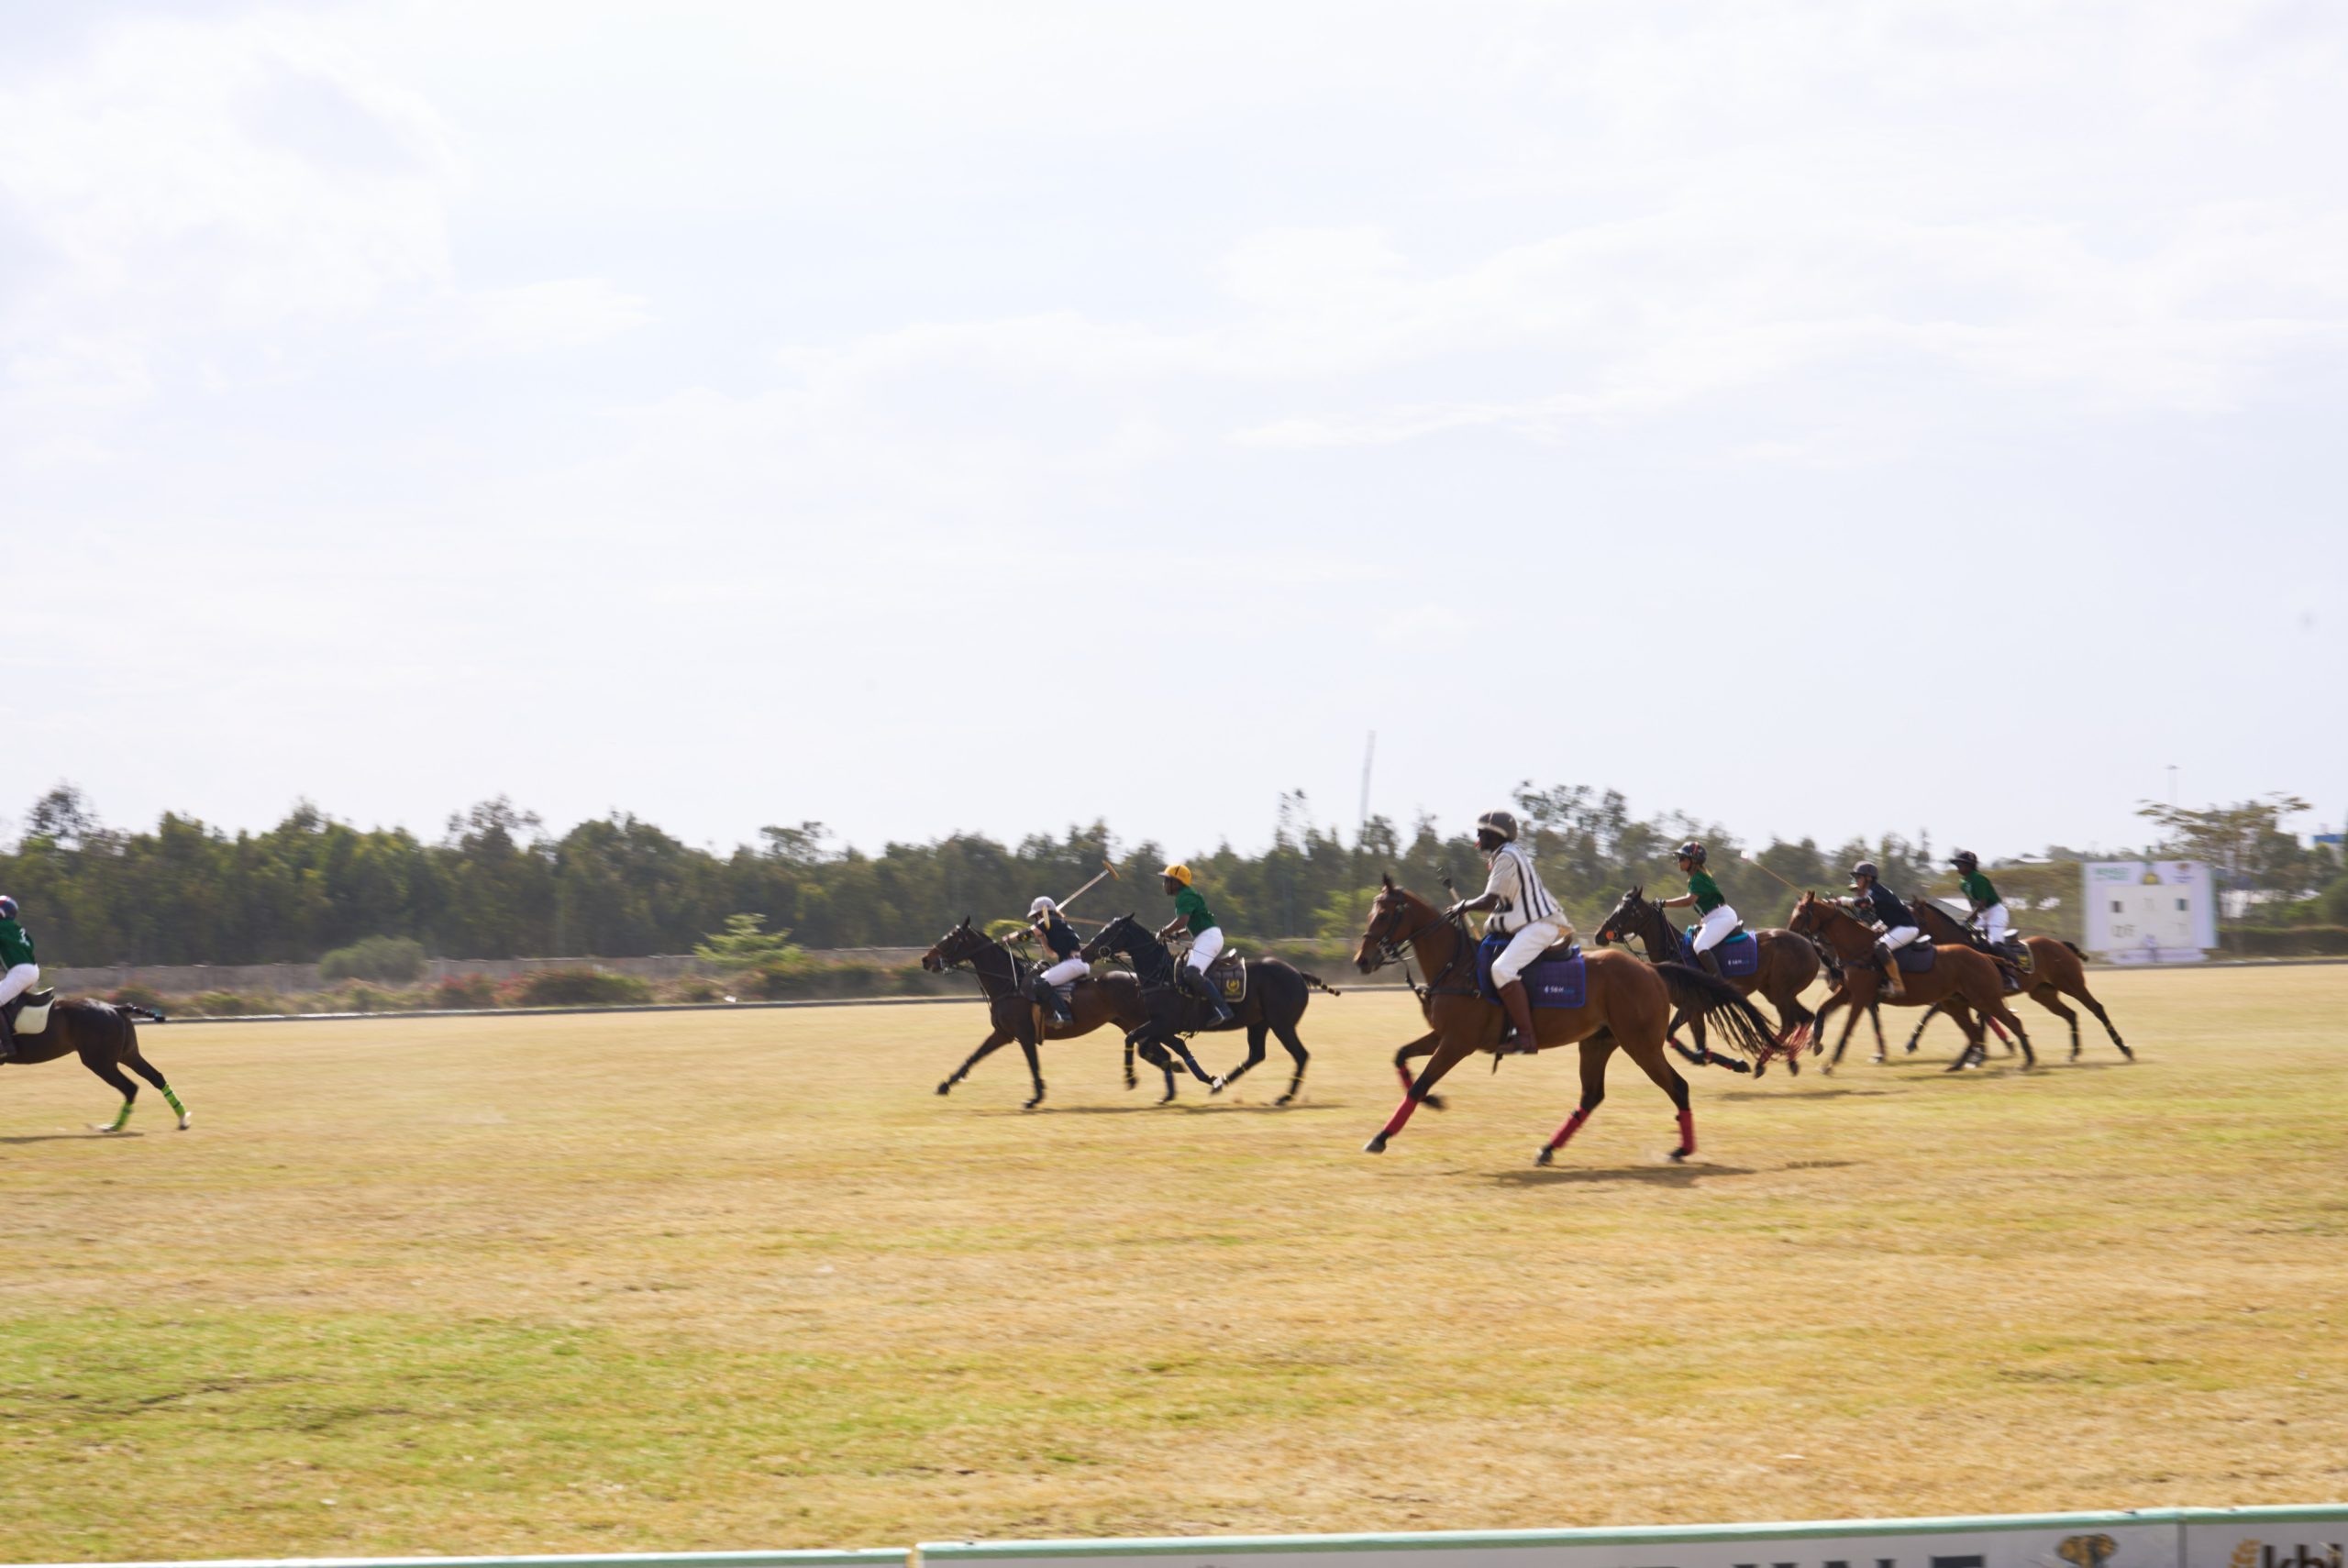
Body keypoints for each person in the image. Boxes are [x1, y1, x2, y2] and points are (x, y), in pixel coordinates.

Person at [1444, 809, 1572, 1049]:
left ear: (1495, 835)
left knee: (1502, 970)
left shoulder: (1506, 857)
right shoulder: (1507, 855)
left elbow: (1489, 901)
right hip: (1532, 925)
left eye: (1481, 833)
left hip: (1541, 925)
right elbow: (1505, 905)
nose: (1478, 838)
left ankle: (1526, 1037)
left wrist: (1463, 906)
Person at [1155, 864, 1235, 1026]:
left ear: (1176, 883)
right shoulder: (1185, 895)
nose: (1163, 884)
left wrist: (1164, 931)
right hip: (1205, 936)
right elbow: (1190, 924)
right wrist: (1177, 934)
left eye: (1166, 880)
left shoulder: (1185, 896)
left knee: (1191, 972)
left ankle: (1223, 1009)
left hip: (1209, 938)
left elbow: (1182, 920)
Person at [1653, 840, 1737, 978]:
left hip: (1723, 917)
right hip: (1714, 917)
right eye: (1679, 858)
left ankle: (1720, 984)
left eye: (1682, 858)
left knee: (1699, 945)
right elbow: (1704, 906)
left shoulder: (1698, 878)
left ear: (1694, 861)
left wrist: (1664, 903)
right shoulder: (1695, 878)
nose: (1679, 861)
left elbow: (1688, 901)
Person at [1844, 862, 1919, 999]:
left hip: (1907, 927)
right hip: (1895, 927)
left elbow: (1864, 902)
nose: (1856, 880)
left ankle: (1898, 985)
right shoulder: (1873, 890)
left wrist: (1845, 901)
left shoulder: (1876, 891)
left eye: (1858, 877)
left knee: (1880, 948)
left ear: (1869, 878)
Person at [1014, 895, 1087, 1024]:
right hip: (1074, 963)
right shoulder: (1054, 923)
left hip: (1074, 963)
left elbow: (1028, 932)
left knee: (1039, 983)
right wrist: (1042, 938)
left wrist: (1009, 938)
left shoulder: (1051, 921)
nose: (1035, 919)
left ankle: (1064, 1015)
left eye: (1036, 916)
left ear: (1041, 914)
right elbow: (1052, 954)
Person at [0, 894, 38, 1063]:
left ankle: (5, 1046)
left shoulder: (2, 926)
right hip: (32, 969)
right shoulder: (15, 927)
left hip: (20, 972)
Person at [1950, 850, 2011, 947]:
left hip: (1995, 912)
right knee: (1967, 937)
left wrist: (1970, 918)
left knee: (1995, 944)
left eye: (1960, 864)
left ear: (1969, 866)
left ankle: (2011, 962)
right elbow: (1974, 904)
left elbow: (1983, 902)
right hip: (1982, 915)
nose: (1957, 867)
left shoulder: (1978, 878)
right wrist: (1968, 922)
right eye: (1956, 864)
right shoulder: (1962, 883)